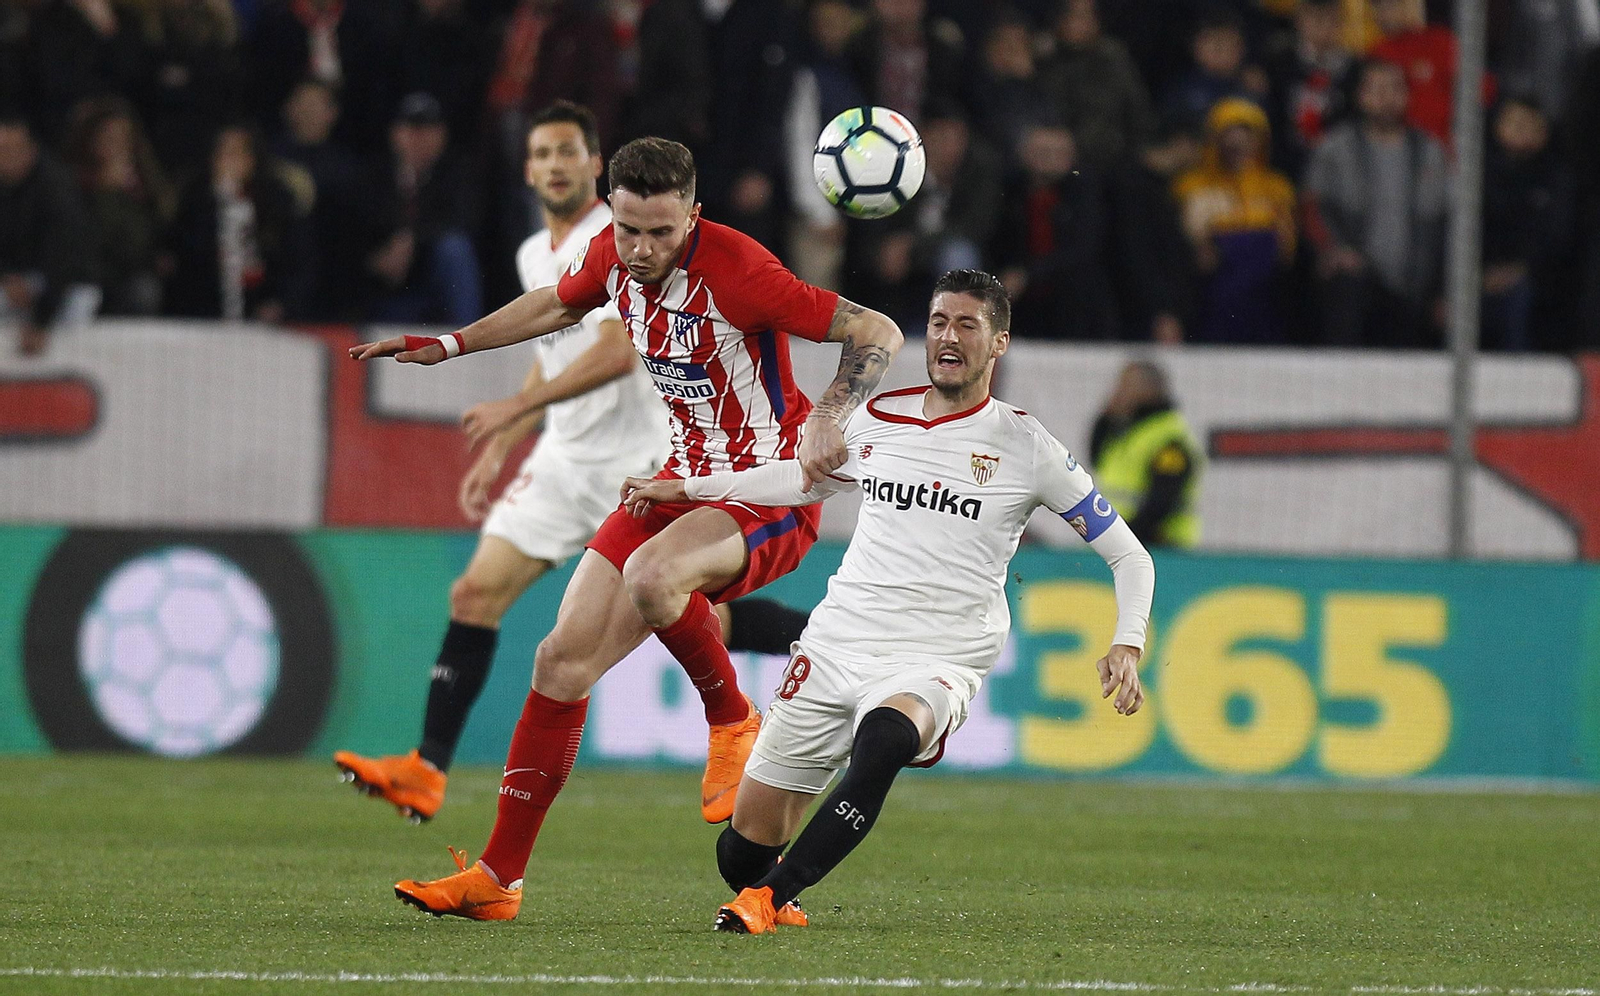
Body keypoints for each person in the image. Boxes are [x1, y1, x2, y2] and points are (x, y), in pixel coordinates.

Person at [350, 135, 904, 920]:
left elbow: (876, 329)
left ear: (694, 216)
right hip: (678, 479)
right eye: (630, 229)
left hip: (767, 491)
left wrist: (832, 414)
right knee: (558, 663)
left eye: (662, 233)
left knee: (653, 577)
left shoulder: (742, 271)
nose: (642, 250)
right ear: (612, 211)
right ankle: (499, 879)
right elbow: (556, 303)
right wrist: (451, 345)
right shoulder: (613, 255)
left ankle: (733, 719)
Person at [617, 269, 1153, 933]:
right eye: (937, 323)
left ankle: (771, 898)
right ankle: (760, 882)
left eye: (966, 325)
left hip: (939, 654)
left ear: (999, 344)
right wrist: (689, 489)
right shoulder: (876, 419)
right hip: (839, 641)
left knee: (884, 742)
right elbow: (796, 481)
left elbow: (1129, 554)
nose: (947, 337)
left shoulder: (1027, 446)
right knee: (742, 849)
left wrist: (1127, 640)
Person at [333, 102, 812, 823]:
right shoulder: (540, 252)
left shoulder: (632, 235)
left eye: (567, 152)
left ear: (593, 166)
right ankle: (429, 769)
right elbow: (551, 339)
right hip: (568, 457)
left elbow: (617, 350)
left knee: (683, 606)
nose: (555, 165)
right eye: (542, 153)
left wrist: (516, 411)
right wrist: (504, 426)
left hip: (647, 457)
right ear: (526, 169)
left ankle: (815, 656)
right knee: (480, 597)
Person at [1302, 58, 1447, 348]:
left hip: (1414, 289)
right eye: (1377, 90)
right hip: (1355, 288)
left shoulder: (1430, 152)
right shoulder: (1336, 148)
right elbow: (1310, 208)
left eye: (1395, 89)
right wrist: (1334, 250)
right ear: (1360, 95)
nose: (1386, 99)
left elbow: (1447, 222)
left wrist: (1446, 291)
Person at [1172, 98, 1296, 344]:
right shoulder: (1190, 185)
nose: (1236, 144)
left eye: (1246, 135)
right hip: (1212, 289)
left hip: (1264, 289)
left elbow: (1287, 250)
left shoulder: (1277, 187)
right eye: (1228, 134)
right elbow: (1190, 246)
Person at [0, 113, 100, 356]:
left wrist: (40, 322)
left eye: (14, 149)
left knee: (78, 307)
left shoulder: (56, 191)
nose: (6, 157)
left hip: (64, 283)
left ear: (31, 151)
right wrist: (6, 276)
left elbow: (64, 259)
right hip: (14, 280)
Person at [1088, 360, 1201, 548]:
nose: (1119, 391)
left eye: (1126, 385)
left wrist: (1120, 538)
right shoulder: (1129, 429)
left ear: (1149, 391)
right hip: (1120, 542)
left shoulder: (1169, 437)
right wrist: (1106, 416)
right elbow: (1096, 458)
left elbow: (1162, 500)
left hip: (1161, 547)